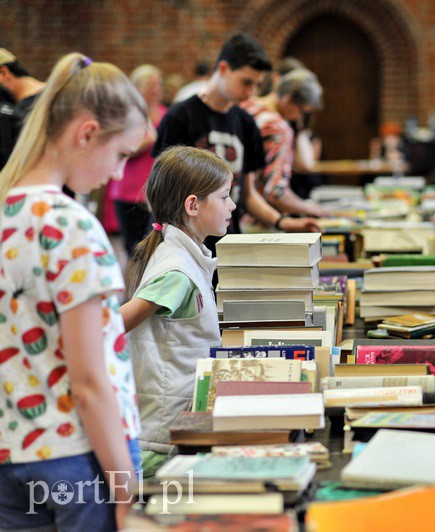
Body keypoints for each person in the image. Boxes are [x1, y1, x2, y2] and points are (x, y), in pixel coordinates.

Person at [0, 53, 147, 529]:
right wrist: (127, 488)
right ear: (86, 134)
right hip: (79, 455)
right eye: (121, 155)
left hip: (10, 453)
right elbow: (88, 381)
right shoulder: (70, 225)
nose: (118, 176)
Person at [120, 146, 233, 478]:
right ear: (193, 205)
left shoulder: (182, 254)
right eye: (225, 197)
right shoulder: (177, 273)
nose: (233, 206)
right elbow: (111, 325)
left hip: (174, 423)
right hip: (164, 438)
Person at [153, 32, 318, 251]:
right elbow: (162, 192)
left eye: (257, 85)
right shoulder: (179, 117)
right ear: (223, 69)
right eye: (246, 82)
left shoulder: (246, 123)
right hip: (186, 244)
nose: (251, 92)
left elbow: (248, 195)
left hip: (229, 241)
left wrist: (282, 222)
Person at [240, 67, 327, 217]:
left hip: (232, 211)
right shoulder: (278, 128)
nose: (298, 118)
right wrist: (313, 210)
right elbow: (275, 193)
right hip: (258, 219)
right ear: (288, 99)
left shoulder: (246, 106)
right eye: (302, 112)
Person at [106, 64, 167, 255]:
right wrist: (146, 142)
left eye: (158, 85)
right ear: (137, 88)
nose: (155, 90)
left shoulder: (165, 113)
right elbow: (117, 149)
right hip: (129, 192)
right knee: (134, 251)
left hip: (157, 191)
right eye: (150, 85)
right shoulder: (127, 114)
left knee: (156, 248)